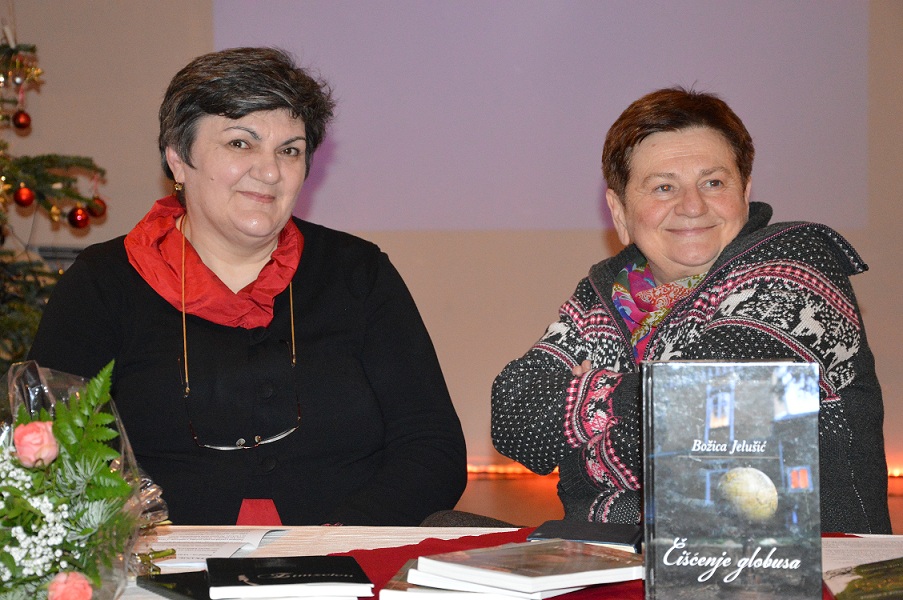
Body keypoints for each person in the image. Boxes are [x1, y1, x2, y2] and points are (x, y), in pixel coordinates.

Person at [28, 47, 467, 526]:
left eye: (290, 150)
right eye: (241, 143)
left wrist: (338, 543)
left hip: (346, 558)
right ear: (178, 159)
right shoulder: (102, 283)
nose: (271, 171)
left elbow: (431, 446)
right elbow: (53, 449)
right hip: (159, 560)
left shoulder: (358, 273)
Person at [491, 87, 891, 534]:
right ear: (619, 211)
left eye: (713, 183)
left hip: (784, 557)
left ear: (745, 192)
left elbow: (704, 431)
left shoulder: (794, 266)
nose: (693, 206)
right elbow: (513, 418)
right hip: (614, 550)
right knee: (445, 530)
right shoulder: (607, 291)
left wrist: (585, 413)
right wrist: (645, 400)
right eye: (664, 187)